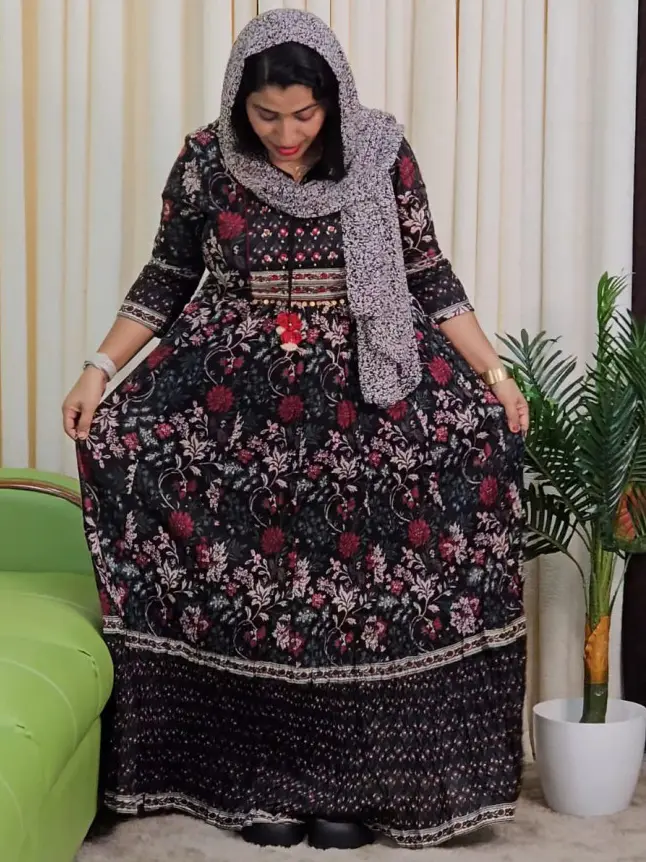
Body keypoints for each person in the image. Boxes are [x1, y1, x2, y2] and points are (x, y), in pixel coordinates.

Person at [62, 8, 529, 851]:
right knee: (263, 596)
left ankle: (359, 788)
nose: (284, 134)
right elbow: (169, 275)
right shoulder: (206, 159)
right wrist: (99, 368)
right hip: (233, 401)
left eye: (303, 114)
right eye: (265, 115)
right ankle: (261, 783)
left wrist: (494, 375)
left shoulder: (381, 152)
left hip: (368, 395)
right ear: (239, 103)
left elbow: (426, 272)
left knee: (357, 601)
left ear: (333, 99)